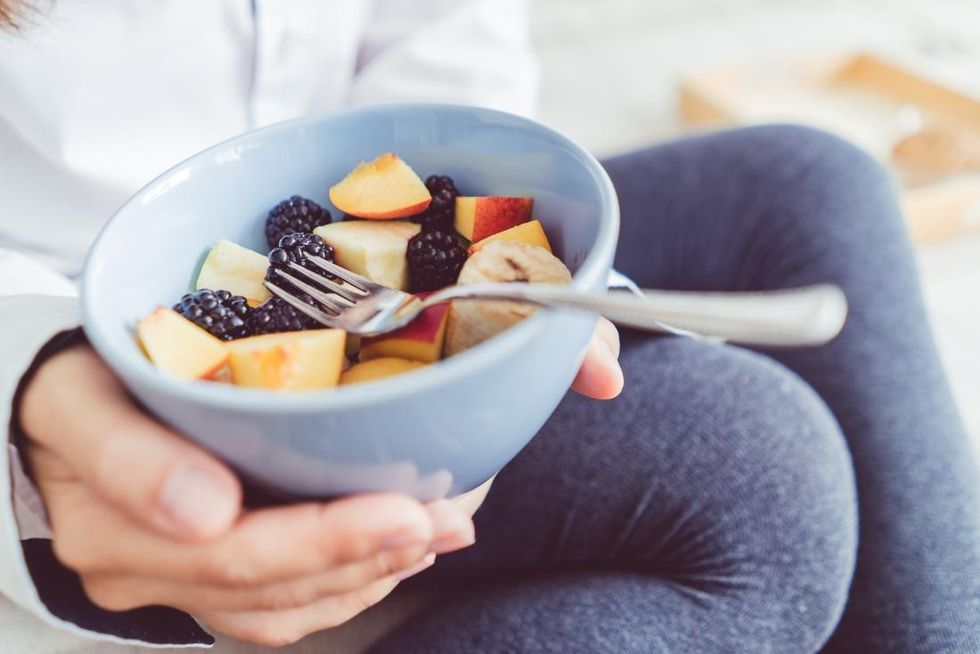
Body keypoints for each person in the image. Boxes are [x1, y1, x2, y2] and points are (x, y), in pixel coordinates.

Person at [1, 1, 978, 653]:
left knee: (810, 182)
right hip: (91, 351)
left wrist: (455, 218)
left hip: (337, 242)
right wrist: (27, 391)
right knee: (762, 466)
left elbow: (439, 32)